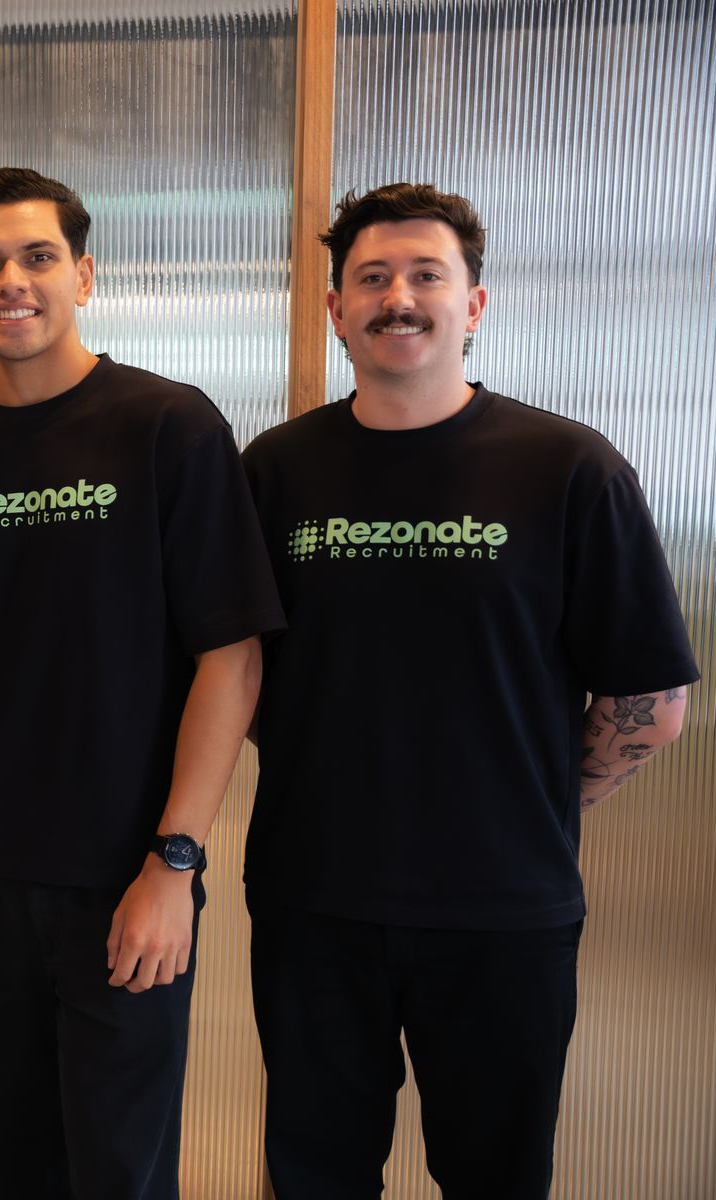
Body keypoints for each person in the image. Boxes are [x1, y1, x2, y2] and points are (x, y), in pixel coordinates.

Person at [241, 182, 698, 1199]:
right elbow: (234, 672)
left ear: (474, 304)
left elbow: (651, 704)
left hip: (503, 913)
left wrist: (528, 801)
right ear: (334, 308)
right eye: (371, 278)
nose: (398, 297)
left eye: (425, 275)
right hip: (314, 902)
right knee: (315, 1172)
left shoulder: (568, 469)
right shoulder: (276, 471)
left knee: (494, 1176)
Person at [0, 168, 282, 1199]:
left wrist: (174, 863)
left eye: (38, 256)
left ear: (84, 275)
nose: (12, 280)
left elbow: (230, 659)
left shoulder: (167, 428)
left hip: (123, 878)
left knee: (120, 1173)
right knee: (16, 1166)